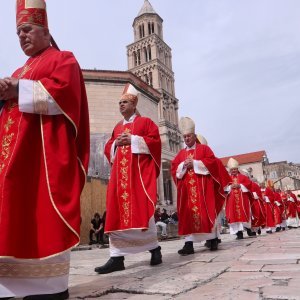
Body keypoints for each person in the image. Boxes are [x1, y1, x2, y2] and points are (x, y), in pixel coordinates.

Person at [0, 1, 90, 299]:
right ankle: (12, 287)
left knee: (42, 212)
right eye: (17, 32)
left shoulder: (63, 59)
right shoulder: (18, 69)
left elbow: (64, 94)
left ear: (46, 32)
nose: (21, 36)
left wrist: (19, 89)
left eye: (27, 29)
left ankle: (51, 289)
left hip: (44, 159)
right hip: (14, 157)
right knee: (13, 212)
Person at [94, 83, 162, 274]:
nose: (121, 105)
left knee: (141, 212)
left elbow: (155, 143)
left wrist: (133, 139)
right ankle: (116, 257)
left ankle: (155, 249)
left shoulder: (145, 123)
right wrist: (116, 142)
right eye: (120, 103)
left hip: (137, 179)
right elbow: (108, 148)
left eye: (124, 102)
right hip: (120, 180)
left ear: (133, 104)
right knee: (116, 213)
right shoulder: (117, 127)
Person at [171, 117, 231, 254]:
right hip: (187, 192)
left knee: (205, 213)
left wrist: (196, 164)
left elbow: (212, 163)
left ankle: (213, 239)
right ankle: (188, 244)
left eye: (189, 136)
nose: (186, 138)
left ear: (194, 135)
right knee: (187, 216)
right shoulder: (180, 154)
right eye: (184, 136)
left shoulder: (204, 149)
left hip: (203, 191)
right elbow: (174, 169)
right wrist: (183, 165)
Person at [225, 158, 253, 239]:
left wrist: (240, 185)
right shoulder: (227, 178)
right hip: (232, 200)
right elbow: (224, 188)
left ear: (237, 169)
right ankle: (239, 233)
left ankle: (248, 230)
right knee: (234, 216)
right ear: (230, 170)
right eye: (232, 169)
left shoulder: (243, 177)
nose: (233, 170)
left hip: (242, 199)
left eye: (235, 169)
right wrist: (230, 186)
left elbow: (249, 185)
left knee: (245, 214)